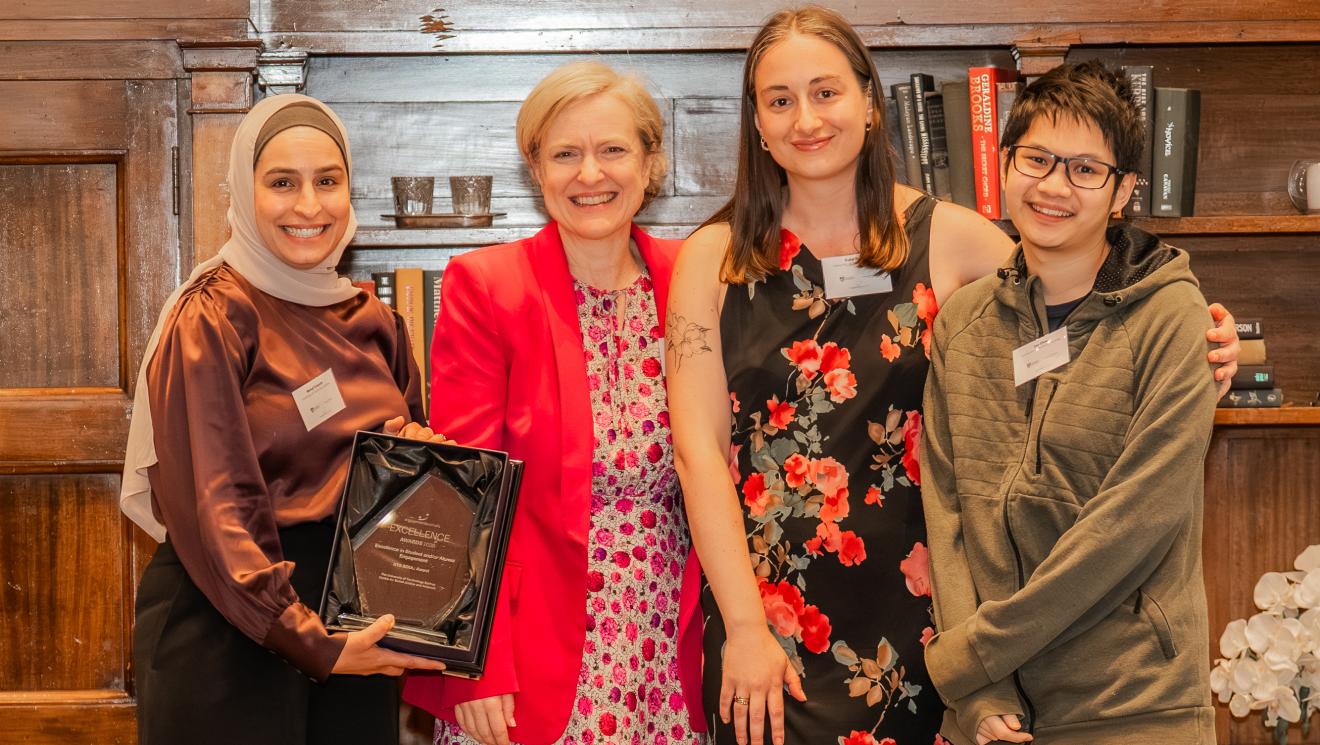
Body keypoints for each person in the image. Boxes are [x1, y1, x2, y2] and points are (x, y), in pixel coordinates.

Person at [664, 7, 1239, 745]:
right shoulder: (711, 260)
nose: (806, 118)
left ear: (871, 103)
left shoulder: (955, 237)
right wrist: (742, 624)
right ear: (759, 122)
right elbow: (698, 452)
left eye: (827, 92)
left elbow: (1081, 284)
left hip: (929, 629)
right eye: (781, 100)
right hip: (766, 627)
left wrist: (1205, 334)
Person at [120, 94, 448, 745]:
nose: (309, 206)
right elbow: (218, 503)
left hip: (352, 626)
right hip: (229, 627)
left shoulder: (376, 323)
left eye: (328, 181)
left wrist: (423, 470)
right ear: (245, 191)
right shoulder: (212, 315)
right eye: (282, 183)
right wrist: (312, 639)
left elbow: (392, 485)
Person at [403, 61, 706, 745]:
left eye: (612, 150)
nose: (589, 174)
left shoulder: (695, 279)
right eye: (564, 153)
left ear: (650, 161)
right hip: (527, 660)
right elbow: (458, 491)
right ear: (536, 170)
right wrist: (472, 668)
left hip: (668, 649)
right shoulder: (488, 286)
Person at [921, 61, 1219, 745]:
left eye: (1086, 170)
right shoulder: (963, 324)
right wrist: (981, 690)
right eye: (1038, 159)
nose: (1055, 186)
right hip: (996, 716)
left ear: (1123, 193)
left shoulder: (1173, 317)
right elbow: (949, 513)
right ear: (1004, 166)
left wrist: (972, 656)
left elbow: (1133, 522)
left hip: (1135, 707)